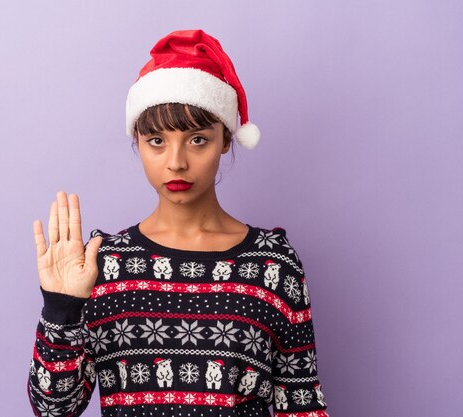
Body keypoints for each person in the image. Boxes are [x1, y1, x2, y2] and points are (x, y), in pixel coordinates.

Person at [27, 29, 330, 417]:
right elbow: (54, 409)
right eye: (156, 140)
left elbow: (301, 404)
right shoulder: (103, 264)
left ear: (225, 138)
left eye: (197, 139)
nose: (176, 161)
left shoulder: (273, 265)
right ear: (137, 141)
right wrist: (61, 308)